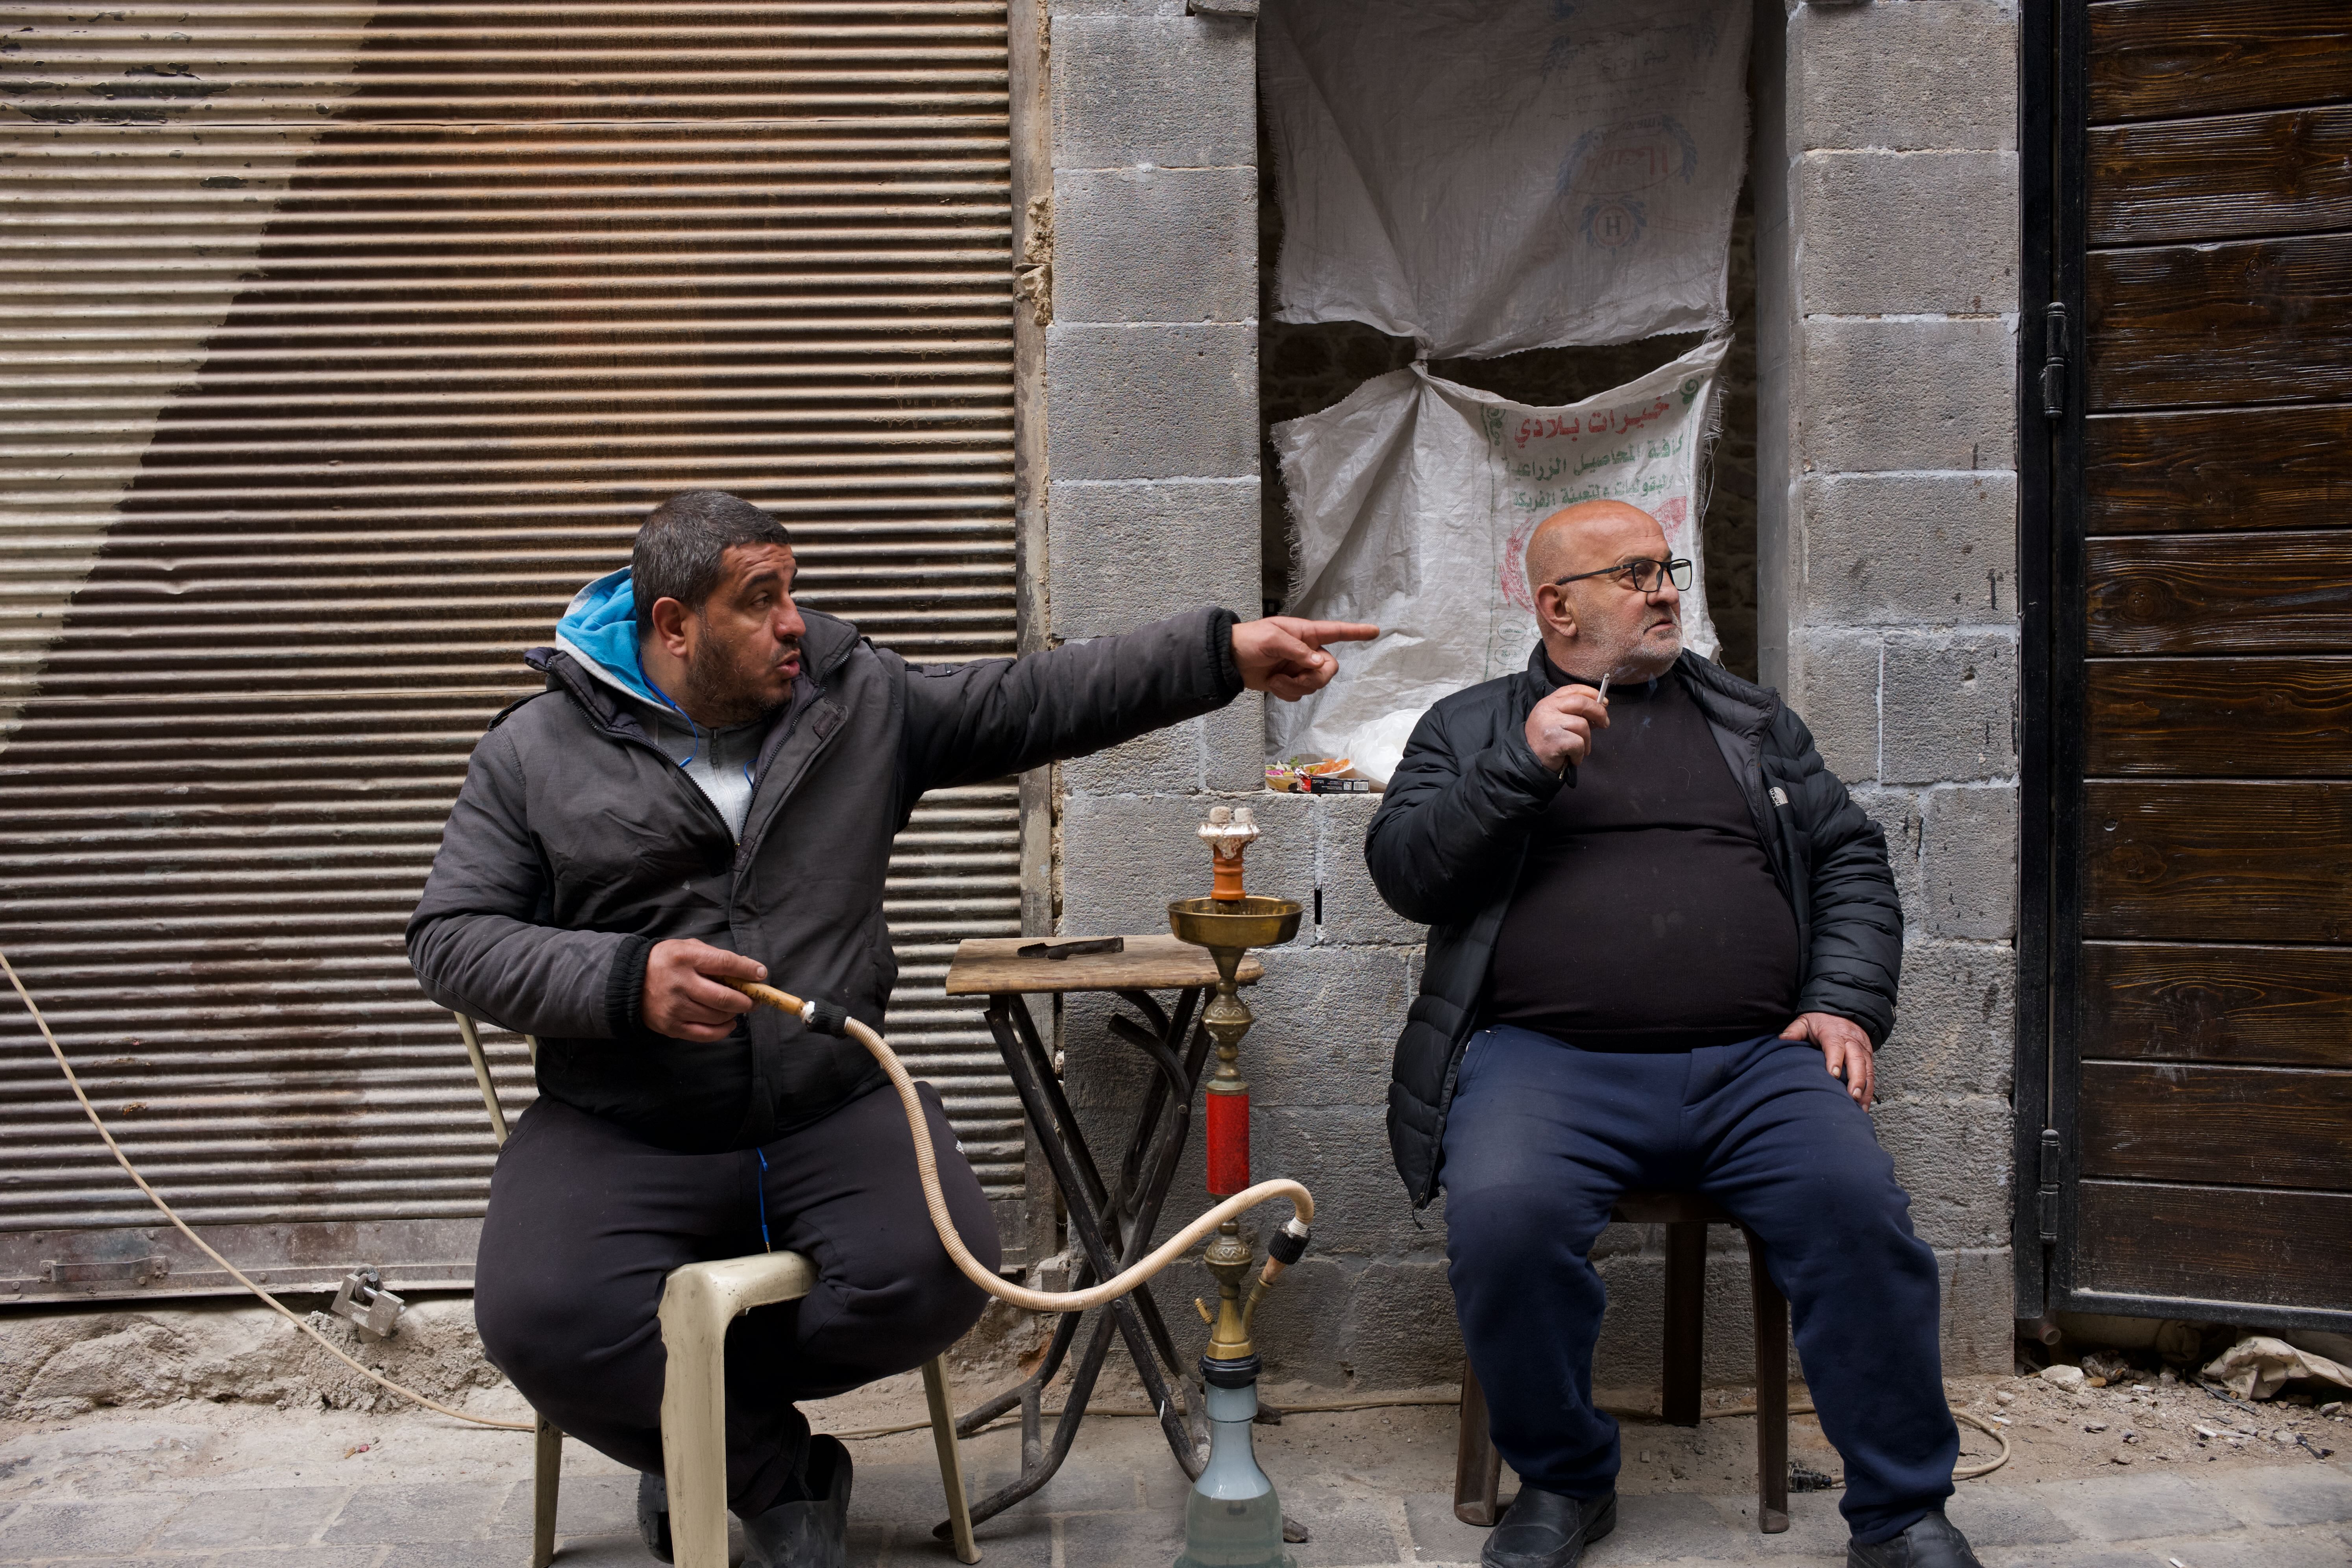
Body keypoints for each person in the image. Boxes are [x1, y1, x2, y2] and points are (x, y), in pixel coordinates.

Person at [408, 490, 1372, 1568]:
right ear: (674, 625)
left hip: (827, 1099)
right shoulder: (535, 750)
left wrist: (1222, 656)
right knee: (542, 1317)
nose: (793, 623)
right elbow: (451, 938)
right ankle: (775, 1472)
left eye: (793, 590)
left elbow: (1033, 699)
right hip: (625, 1118)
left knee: (934, 1276)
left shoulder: (850, 699)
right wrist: (624, 980)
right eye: (760, 600)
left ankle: (697, 1423)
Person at [1364, 499, 1980, 1568]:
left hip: (1756, 1065)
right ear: (1556, 605)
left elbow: (1849, 861)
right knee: (1506, 1221)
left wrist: (1842, 1000)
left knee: (1858, 1210)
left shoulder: (1751, 724)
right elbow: (1407, 873)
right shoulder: (1469, 726)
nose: (1664, 590)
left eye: (1668, 569)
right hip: (1547, 1064)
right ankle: (1563, 1481)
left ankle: (1901, 1514)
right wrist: (1519, 763)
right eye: (1633, 573)